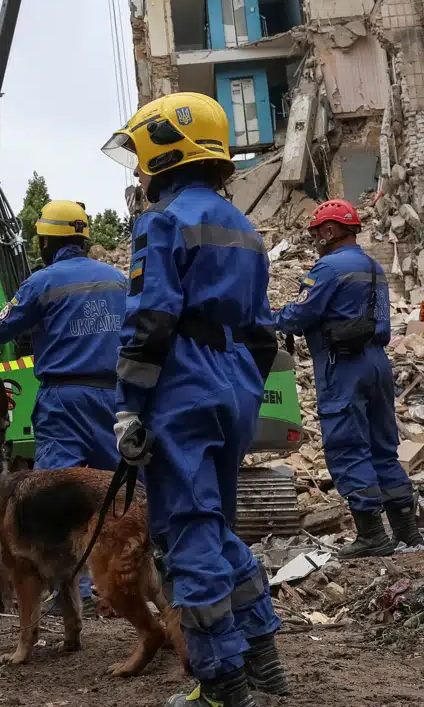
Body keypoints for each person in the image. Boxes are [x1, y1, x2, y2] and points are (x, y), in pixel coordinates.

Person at [101, 92, 289, 707]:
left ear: (165, 151)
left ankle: (223, 686)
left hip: (181, 383)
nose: (139, 171)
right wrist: (236, 388)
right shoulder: (246, 231)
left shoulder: (162, 222)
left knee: (188, 535)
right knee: (216, 529)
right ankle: (264, 665)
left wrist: (130, 405)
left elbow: (151, 319)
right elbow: (264, 335)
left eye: (142, 156)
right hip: (234, 381)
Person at [0, 199, 124, 612]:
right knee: (113, 492)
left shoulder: (43, 282)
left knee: (53, 493)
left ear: (47, 240)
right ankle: (116, 584)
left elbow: (2, 326)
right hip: (114, 396)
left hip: (64, 398)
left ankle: (72, 593)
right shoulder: (118, 281)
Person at [275, 200, 422, 554]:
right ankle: (407, 532)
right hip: (377, 363)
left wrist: (268, 318)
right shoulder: (374, 267)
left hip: (343, 368)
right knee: (383, 449)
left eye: (316, 233)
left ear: (329, 231)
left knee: (348, 447)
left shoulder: (327, 269)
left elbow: (299, 316)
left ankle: (372, 535)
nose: (314, 240)